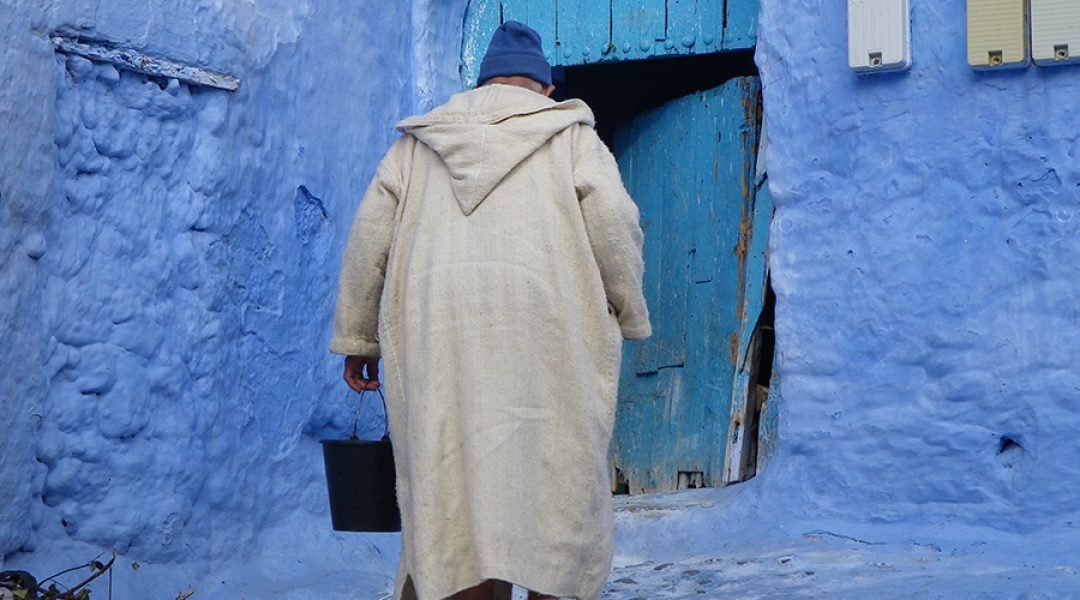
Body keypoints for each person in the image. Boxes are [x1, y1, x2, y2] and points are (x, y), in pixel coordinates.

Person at [330, 20, 650, 600]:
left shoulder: (415, 148)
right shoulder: (572, 139)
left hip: (439, 347)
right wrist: (629, 311)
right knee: (557, 491)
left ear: (482, 84)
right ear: (545, 88)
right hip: (549, 342)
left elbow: (367, 241)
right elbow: (615, 225)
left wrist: (357, 339)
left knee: (453, 496)